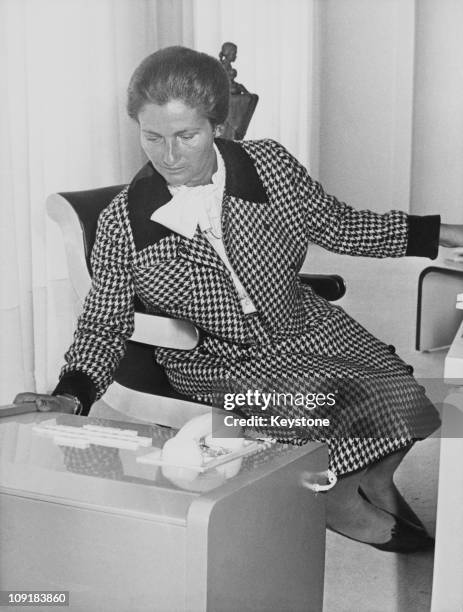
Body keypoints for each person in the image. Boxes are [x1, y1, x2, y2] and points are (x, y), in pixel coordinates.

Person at [14, 46, 463, 552]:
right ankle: (338, 503)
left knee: (405, 393)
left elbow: (339, 224)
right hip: (223, 355)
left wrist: (438, 234)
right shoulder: (125, 222)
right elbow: (104, 323)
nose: (168, 156)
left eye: (188, 135)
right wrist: (71, 391)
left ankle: (375, 481)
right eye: (152, 136)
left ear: (218, 126)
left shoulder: (267, 165)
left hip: (301, 322)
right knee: (322, 409)